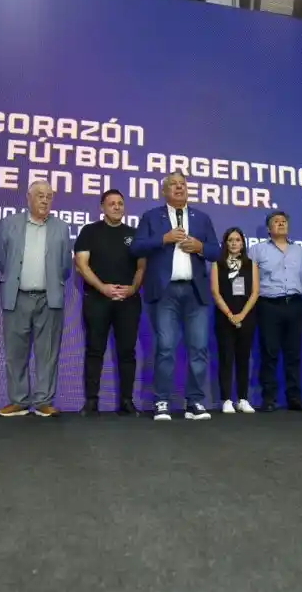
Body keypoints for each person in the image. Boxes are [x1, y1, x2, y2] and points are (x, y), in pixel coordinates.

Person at [131, 171, 221, 421]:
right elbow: (136, 247)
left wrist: (200, 247)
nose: (179, 188)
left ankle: (195, 402)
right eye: (173, 185)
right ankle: (162, 401)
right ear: (164, 191)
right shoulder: (151, 217)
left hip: (196, 291)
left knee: (199, 348)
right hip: (165, 291)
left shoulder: (201, 218)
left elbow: (216, 251)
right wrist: (164, 239)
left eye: (182, 184)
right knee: (166, 348)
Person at [0, 180, 71, 418]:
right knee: (15, 352)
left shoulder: (61, 227)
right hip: (17, 297)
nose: (45, 200)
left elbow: (65, 267)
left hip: (49, 298)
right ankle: (18, 401)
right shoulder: (10, 224)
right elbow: (3, 260)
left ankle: (43, 401)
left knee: (48, 352)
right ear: (28, 198)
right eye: (40, 195)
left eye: (49, 196)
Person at [74, 189, 145, 416]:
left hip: (128, 301)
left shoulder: (134, 234)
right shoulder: (89, 231)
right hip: (97, 299)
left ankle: (126, 401)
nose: (116, 207)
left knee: (127, 352)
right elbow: (81, 265)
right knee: (95, 350)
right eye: (111, 203)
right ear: (102, 207)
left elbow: (142, 266)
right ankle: (91, 401)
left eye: (120, 203)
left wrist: (133, 288)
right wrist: (102, 288)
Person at [249, 212, 302, 411]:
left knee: (294, 353)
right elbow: (249, 278)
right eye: (276, 221)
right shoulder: (257, 250)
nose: (281, 224)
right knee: (269, 352)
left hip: (295, 304)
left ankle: (295, 398)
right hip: (268, 305)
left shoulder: (299, 251)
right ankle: (269, 398)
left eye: (284, 221)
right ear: (268, 229)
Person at [211, 227, 259, 414]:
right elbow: (215, 291)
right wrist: (230, 315)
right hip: (225, 317)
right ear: (226, 243)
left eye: (237, 240)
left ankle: (243, 398)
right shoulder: (218, 264)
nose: (234, 243)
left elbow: (255, 292)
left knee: (243, 358)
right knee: (226, 358)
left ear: (243, 243)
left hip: (246, 316)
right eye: (230, 240)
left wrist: (242, 315)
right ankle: (226, 399)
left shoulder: (251, 264)